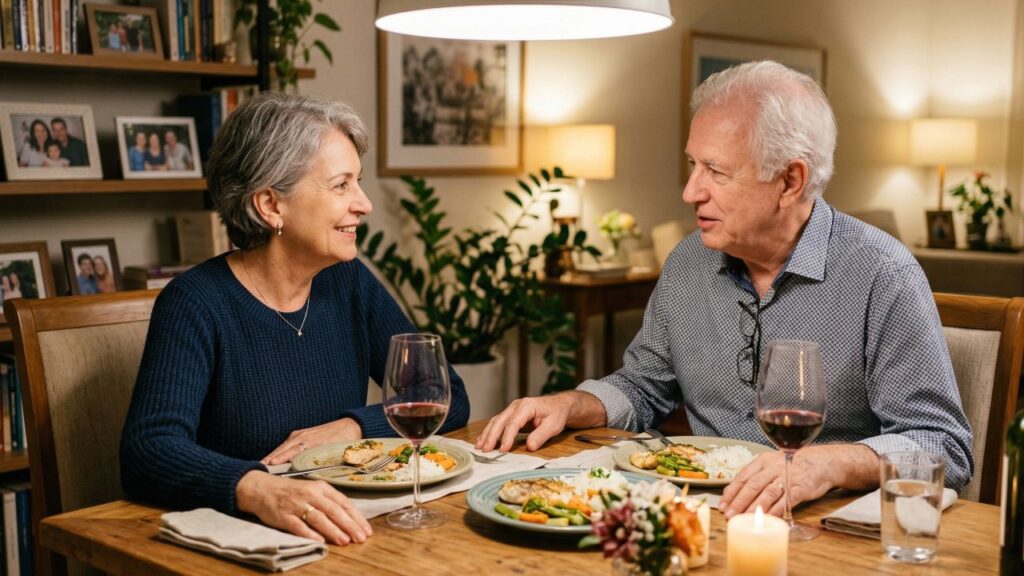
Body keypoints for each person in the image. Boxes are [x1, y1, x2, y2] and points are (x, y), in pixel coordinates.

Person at [476, 60, 973, 519]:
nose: (691, 191)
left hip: (826, 531)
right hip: (701, 517)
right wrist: (569, 404)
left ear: (790, 181)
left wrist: (826, 465)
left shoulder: (882, 274)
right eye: (693, 165)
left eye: (715, 171)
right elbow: (642, 387)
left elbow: (943, 446)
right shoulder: (688, 262)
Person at [120, 92, 471, 545]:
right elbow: (148, 451)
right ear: (271, 205)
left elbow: (447, 396)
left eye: (357, 183)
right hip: (247, 541)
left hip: (348, 529)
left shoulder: (348, 281)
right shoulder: (195, 302)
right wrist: (259, 489)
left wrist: (354, 427)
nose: (363, 203)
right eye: (342, 185)